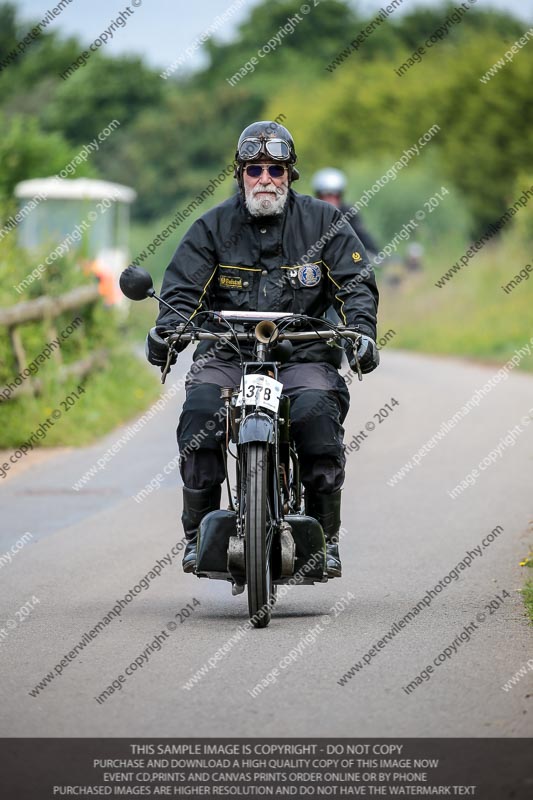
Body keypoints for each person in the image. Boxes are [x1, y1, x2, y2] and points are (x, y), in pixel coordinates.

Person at [145, 121, 379, 578]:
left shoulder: (326, 223)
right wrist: (168, 330)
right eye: (255, 170)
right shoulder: (211, 227)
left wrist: (361, 332)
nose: (265, 179)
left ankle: (324, 540)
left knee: (316, 414)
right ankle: (198, 537)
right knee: (200, 413)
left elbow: (356, 286)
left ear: (291, 174)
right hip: (227, 355)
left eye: (276, 168)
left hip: (304, 355)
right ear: (240, 174)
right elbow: (180, 292)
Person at [311, 167, 379, 256]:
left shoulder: (349, 213)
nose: (331, 200)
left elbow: (363, 237)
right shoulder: (309, 213)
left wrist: (375, 255)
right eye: (326, 195)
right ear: (318, 196)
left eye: (335, 196)